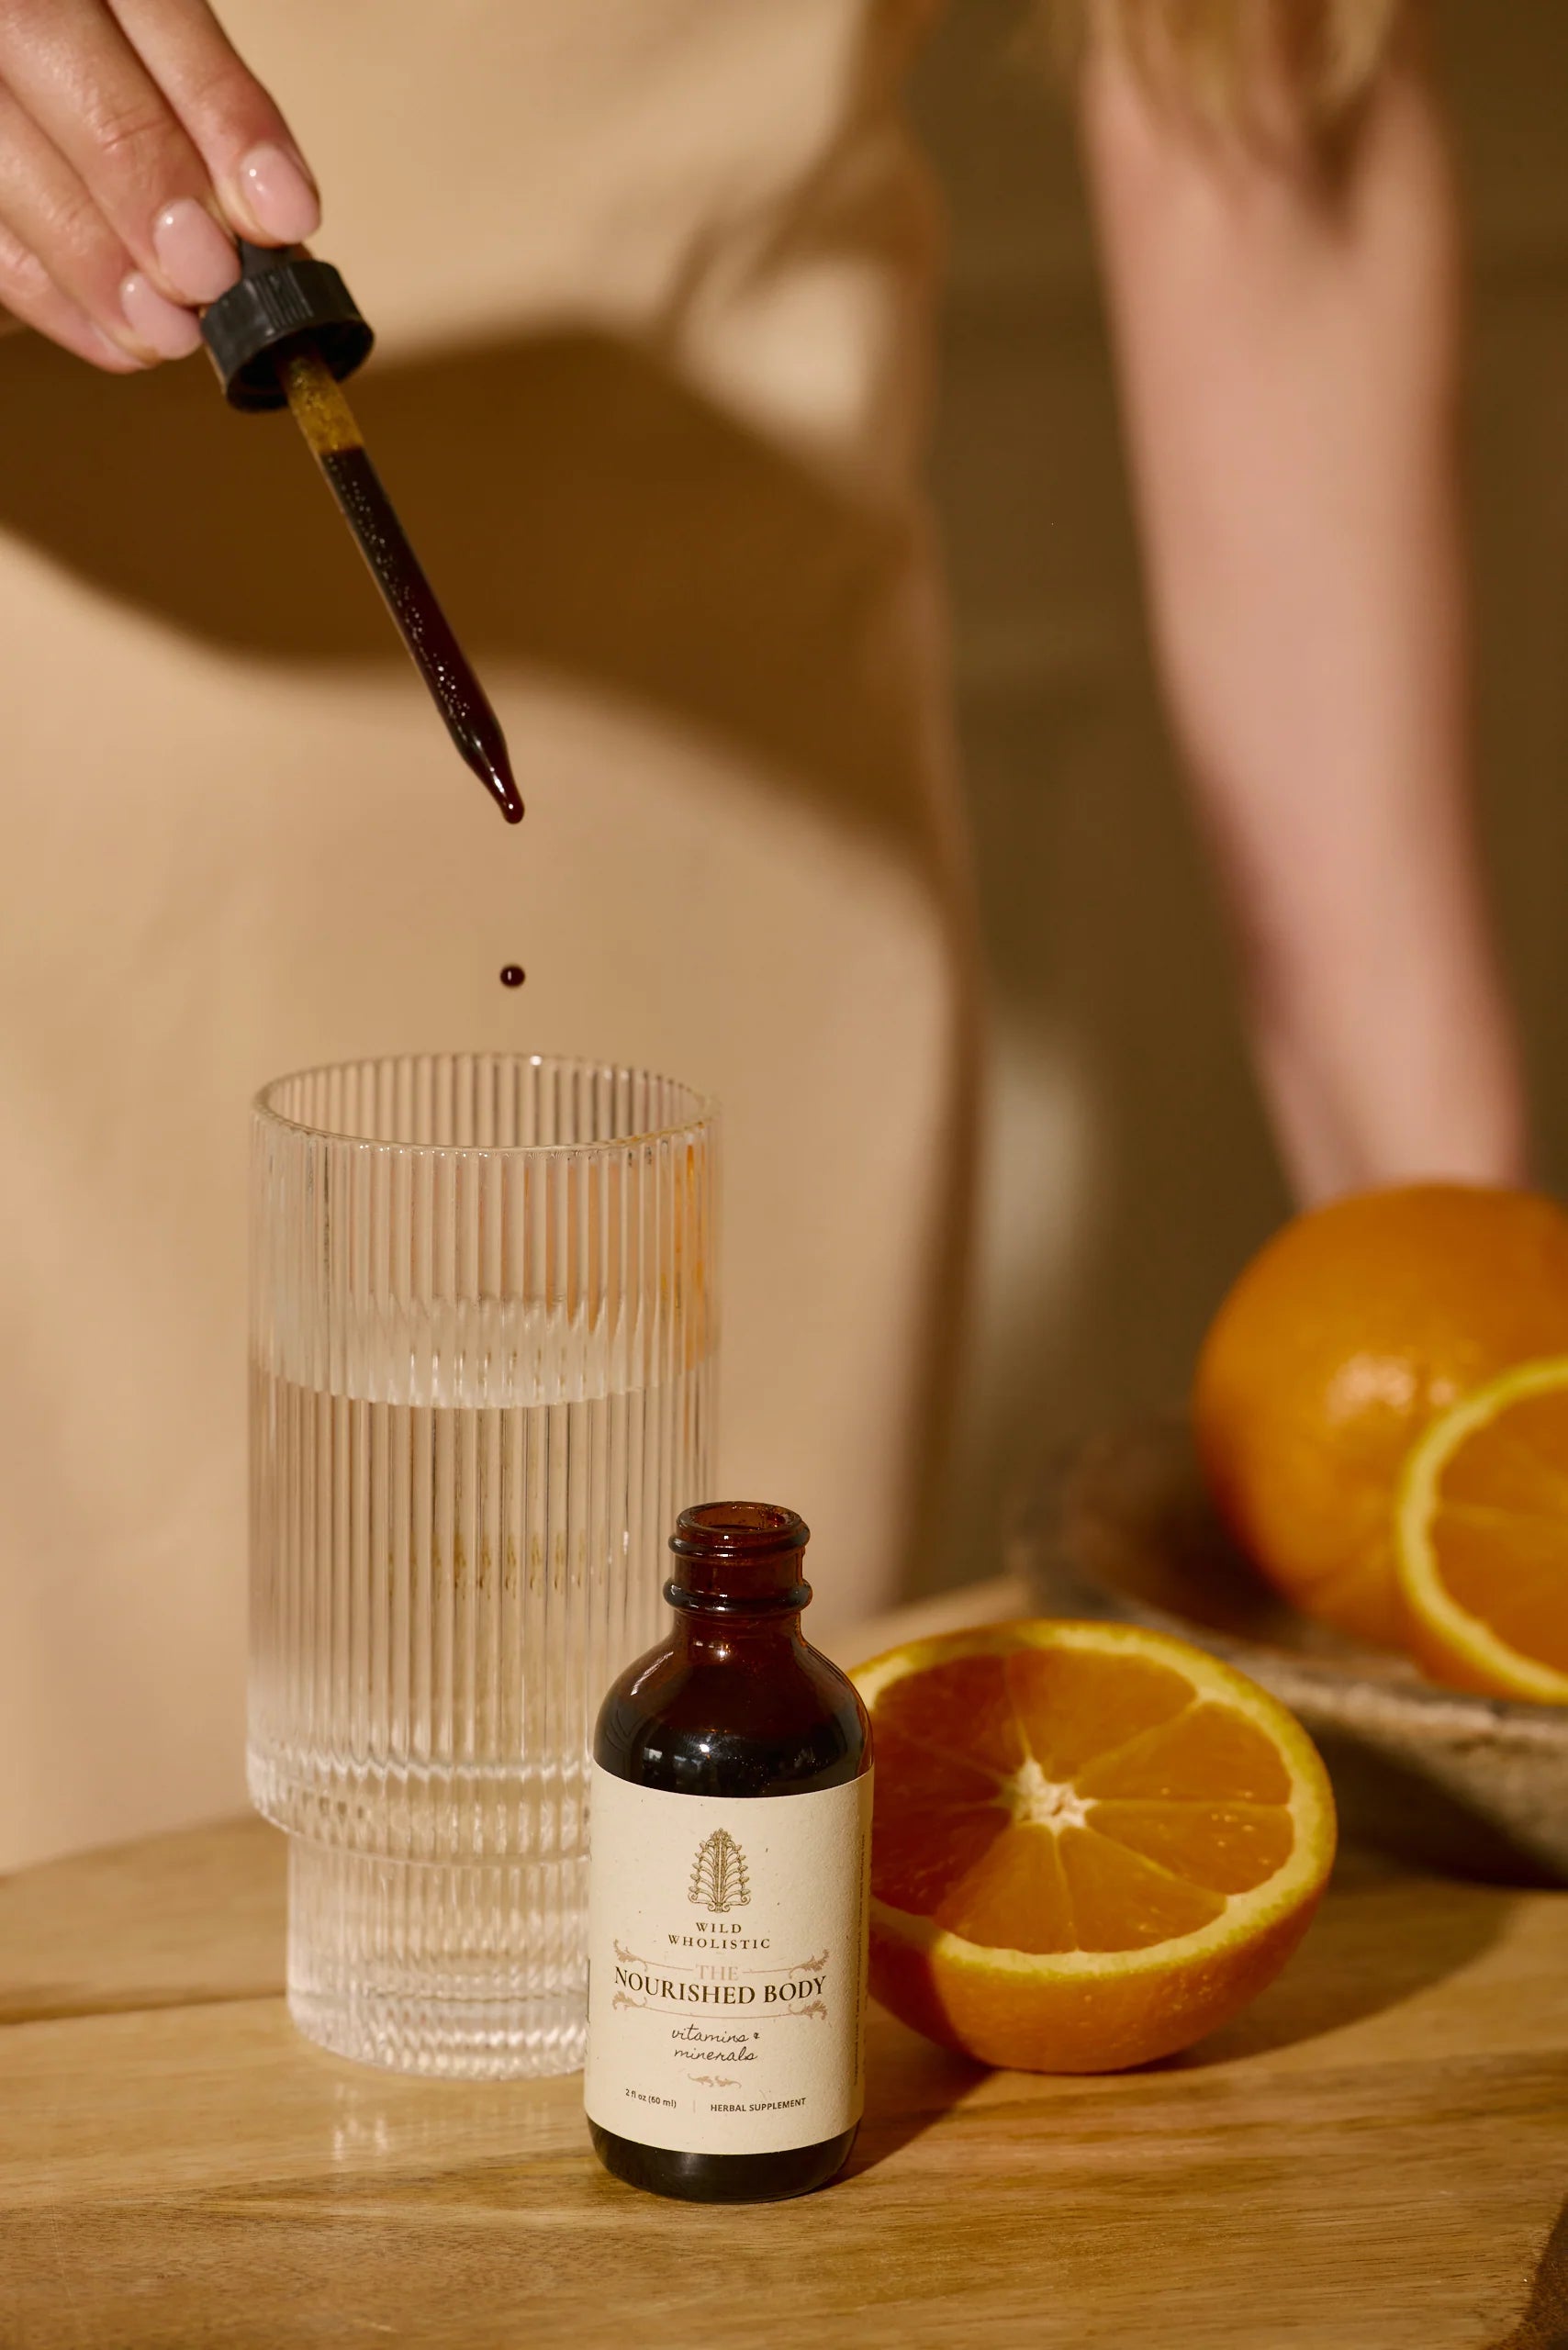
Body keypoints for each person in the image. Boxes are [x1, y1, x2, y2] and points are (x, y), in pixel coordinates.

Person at [0, 0, 1527, 1865]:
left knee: (714, 1976)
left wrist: (1479, 1392)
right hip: (62, 999)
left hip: (747, 944)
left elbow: (1265, 123)